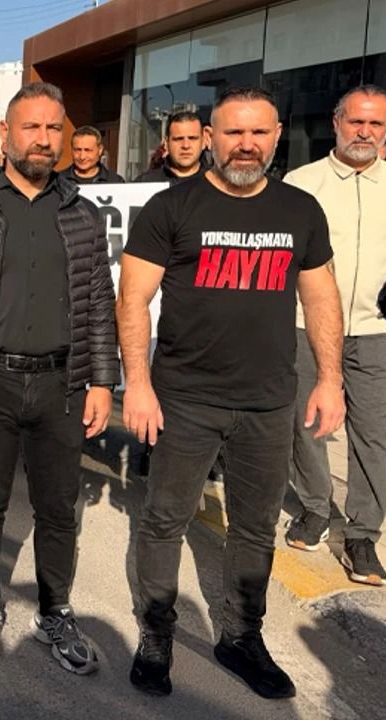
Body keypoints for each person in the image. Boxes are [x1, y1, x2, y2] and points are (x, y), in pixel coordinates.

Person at [118, 86, 345, 700]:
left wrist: (330, 379)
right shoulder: (171, 206)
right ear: (210, 139)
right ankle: (156, 634)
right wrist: (137, 385)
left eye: (259, 132)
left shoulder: (300, 210)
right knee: (164, 520)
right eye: (234, 132)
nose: (247, 144)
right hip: (184, 398)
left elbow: (321, 297)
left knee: (254, 526)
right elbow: (132, 299)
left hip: (268, 402)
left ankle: (241, 637)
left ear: (277, 137)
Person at [0, 82, 118, 675]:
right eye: (31, 126)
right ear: (5, 133)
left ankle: (55, 612)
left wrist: (104, 381)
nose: (43, 138)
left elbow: (99, 302)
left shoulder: (83, 214)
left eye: (53, 128)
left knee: (58, 509)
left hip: (63, 386)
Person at [283, 85, 386, 585]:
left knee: (370, 432)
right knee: (306, 423)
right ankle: (313, 509)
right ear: (337, 123)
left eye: (375, 124)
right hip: (306, 325)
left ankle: (363, 534)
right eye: (356, 122)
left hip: (376, 330)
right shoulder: (301, 182)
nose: (364, 132)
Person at [133, 110, 207, 183]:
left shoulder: (213, 182)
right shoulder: (145, 183)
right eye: (178, 139)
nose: (186, 145)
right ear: (166, 144)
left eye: (192, 138)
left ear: (203, 142)